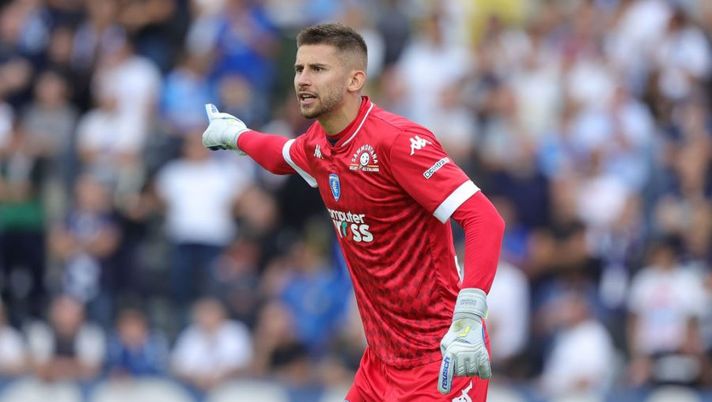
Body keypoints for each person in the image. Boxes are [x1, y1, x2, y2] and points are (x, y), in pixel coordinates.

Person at [201, 23, 505, 401]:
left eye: (318, 69)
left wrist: (470, 318)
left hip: (442, 356)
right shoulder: (318, 144)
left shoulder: (398, 142)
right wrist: (235, 136)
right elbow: (281, 156)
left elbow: (484, 218)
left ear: (354, 79)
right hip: (380, 365)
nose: (303, 80)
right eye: (299, 69)